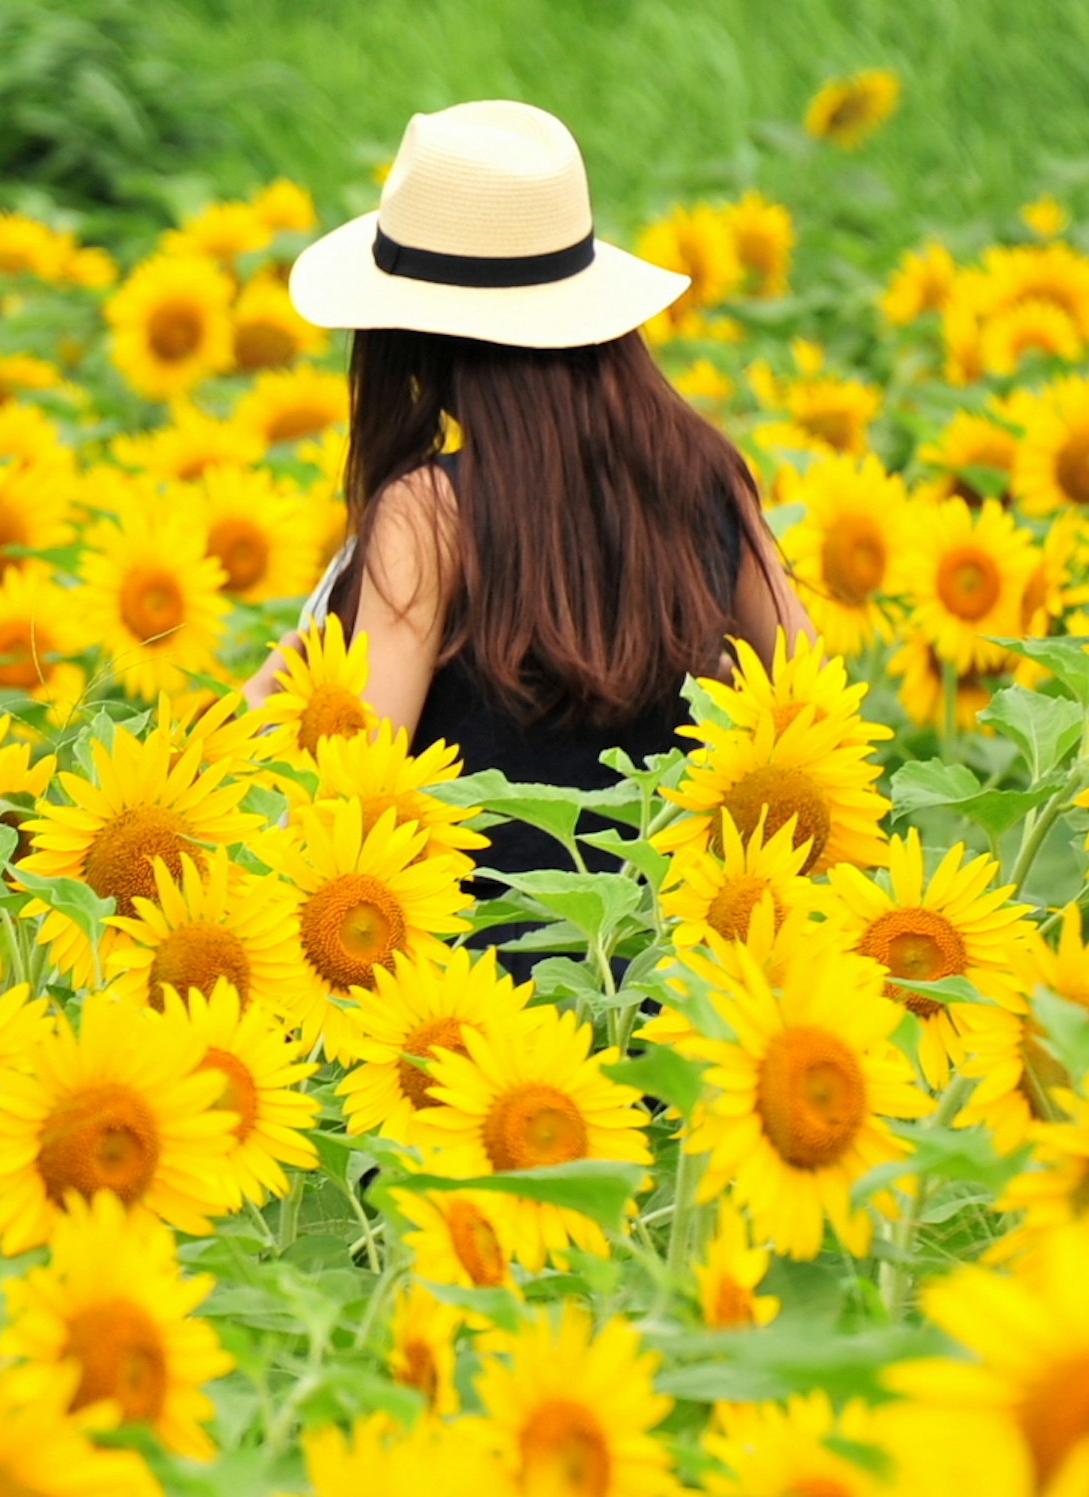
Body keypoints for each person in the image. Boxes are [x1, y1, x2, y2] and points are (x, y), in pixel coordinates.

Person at [250, 100, 815, 947]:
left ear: (413, 334)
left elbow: (358, 796)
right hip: (677, 979)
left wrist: (266, 706)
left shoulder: (429, 514)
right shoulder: (704, 475)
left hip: (481, 1026)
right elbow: (811, 700)